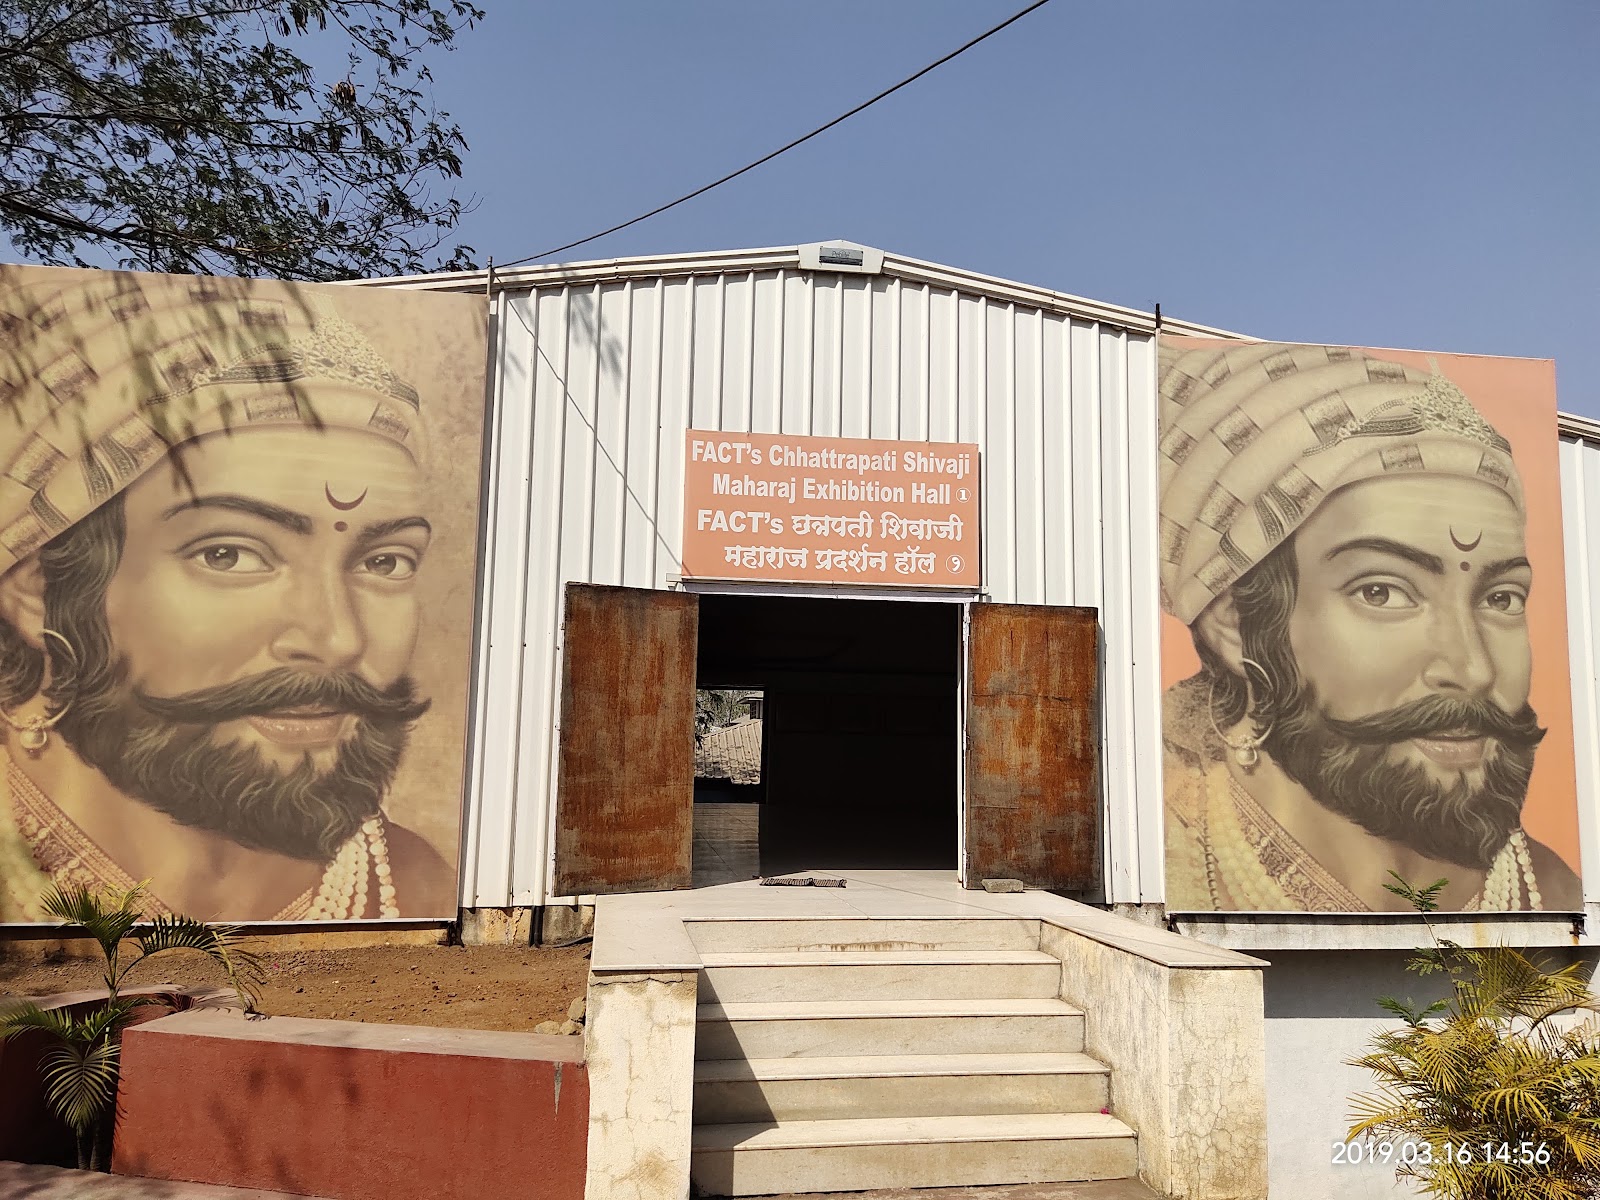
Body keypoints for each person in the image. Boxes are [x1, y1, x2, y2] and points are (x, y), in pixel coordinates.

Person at [0, 269, 454, 921]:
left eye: (384, 561)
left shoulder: (419, 888)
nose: (336, 639)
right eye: (231, 554)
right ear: (38, 590)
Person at [1159, 340, 1581, 912]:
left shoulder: (1555, 892)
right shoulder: (1149, 843)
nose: (1472, 669)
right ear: (1235, 621)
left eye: (1502, 598)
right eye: (1382, 592)